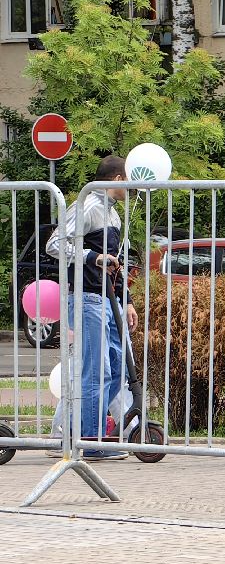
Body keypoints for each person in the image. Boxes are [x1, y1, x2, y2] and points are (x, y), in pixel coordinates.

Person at [45, 155, 136, 461]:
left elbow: (114, 265)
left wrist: (126, 300)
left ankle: (73, 432)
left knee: (117, 367)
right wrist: (90, 257)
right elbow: (54, 244)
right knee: (97, 371)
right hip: (86, 298)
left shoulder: (114, 214)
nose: (134, 189)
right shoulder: (87, 206)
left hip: (107, 300)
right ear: (118, 179)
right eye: (131, 181)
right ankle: (91, 441)